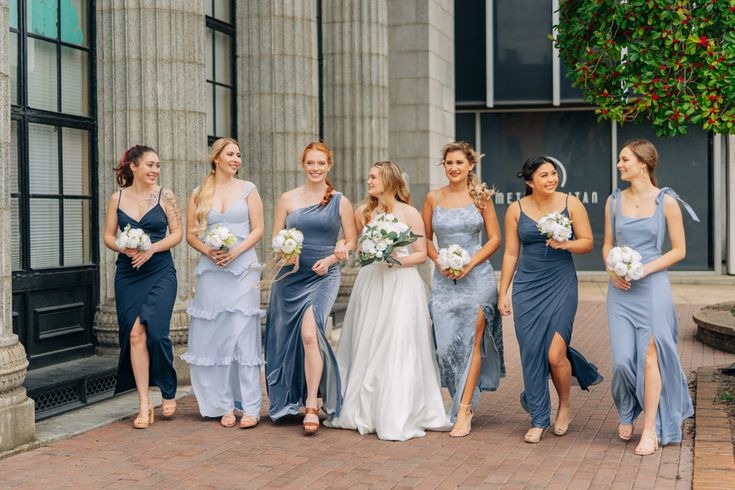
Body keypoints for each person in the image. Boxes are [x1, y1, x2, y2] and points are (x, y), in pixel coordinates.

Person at [325, 161, 450, 441]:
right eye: (368, 176)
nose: (368, 181)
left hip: (401, 285)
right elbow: (354, 243)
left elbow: (421, 254)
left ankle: (397, 411)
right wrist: (341, 246)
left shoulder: (409, 213)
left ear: (389, 180)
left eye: (373, 177)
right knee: (368, 342)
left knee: (398, 343)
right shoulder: (363, 212)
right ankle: (366, 409)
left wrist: (397, 259)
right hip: (371, 283)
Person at [497, 156, 602, 443]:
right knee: (531, 353)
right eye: (544, 175)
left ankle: (564, 405)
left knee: (555, 353)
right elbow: (510, 253)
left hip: (561, 283)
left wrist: (566, 243)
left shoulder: (571, 203)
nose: (551, 179)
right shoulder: (515, 210)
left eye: (553, 173)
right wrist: (503, 292)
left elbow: (588, 242)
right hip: (527, 288)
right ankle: (539, 418)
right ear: (530, 181)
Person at [603, 139, 698, 455]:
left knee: (649, 358)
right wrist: (613, 270)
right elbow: (607, 245)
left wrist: (644, 269)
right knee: (620, 361)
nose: (619, 164)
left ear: (643, 163)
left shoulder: (666, 202)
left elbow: (679, 250)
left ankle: (650, 429)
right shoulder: (613, 201)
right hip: (621, 290)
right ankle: (627, 408)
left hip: (653, 285)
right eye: (620, 159)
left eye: (624, 159)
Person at [264, 142, 357, 433]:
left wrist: (333, 256)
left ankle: (312, 404)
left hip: (323, 276)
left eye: (321, 163)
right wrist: (284, 252)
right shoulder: (287, 198)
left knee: (309, 334)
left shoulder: (340, 201)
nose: (315, 168)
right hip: (289, 279)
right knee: (285, 339)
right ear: (303, 165)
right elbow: (275, 238)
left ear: (329, 166)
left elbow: (351, 241)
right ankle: (289, 400)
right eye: (310, 163)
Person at [422, 142, 505, 438]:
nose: (454, 167)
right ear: (443, 166)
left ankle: (464, 409)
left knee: (472, 342)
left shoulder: (481, 198)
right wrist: (439, 261)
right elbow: (426, 239)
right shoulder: (433, 198)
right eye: (449, 163)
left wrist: (470, 262)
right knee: (445, 348)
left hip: (477, 277)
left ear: (470, 165)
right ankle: (459, 398)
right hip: (445, 280)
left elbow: (494, 239)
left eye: (459, 162)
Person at [182, 138, 265, 429]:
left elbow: (259, 229)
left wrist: (237, 251)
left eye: (239, 155)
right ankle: (225, 405)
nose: (236, 159)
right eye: (230, 154)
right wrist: (209, 251)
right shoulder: (198, 193)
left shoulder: (249, 189)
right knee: (218, 337)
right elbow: (191, 233)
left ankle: (252, 407)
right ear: (215, 158)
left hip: (243, 269)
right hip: (212, 269)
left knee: (243, 336)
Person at [102, 145, 182, 428]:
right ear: (133, 167)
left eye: (158, 165)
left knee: (157, 334)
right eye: (150, 164)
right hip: (128, 274)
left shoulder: (165, 196)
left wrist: (151, 249)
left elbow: (177, 234)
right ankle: (144, 404)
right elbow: (108, 236)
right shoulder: (117, 198)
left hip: (160, 272)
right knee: (135, 334)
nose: (155, 170)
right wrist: (124, 249)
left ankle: (168, 389)